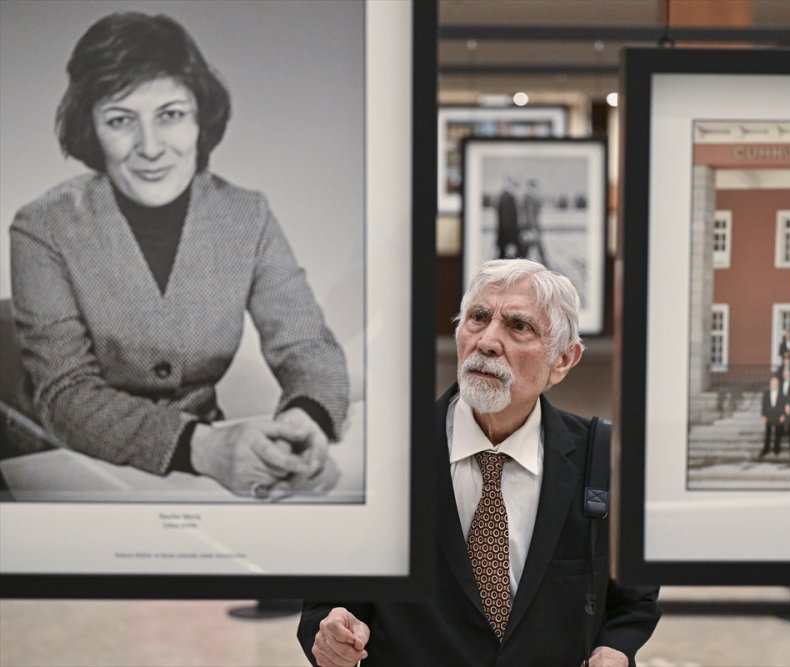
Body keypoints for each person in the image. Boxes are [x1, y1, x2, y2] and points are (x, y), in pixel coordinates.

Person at [8, 12, 349, 496]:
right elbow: (65, 394)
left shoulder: (247, 215)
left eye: (170, 114)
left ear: (199, 119)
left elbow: (307, 345)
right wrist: (205, 448)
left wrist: (306, 418)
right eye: (121, 120)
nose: (150, 147)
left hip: (211, 468)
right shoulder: (41, 227)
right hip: (70, 466)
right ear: (91, 128)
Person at [298, 259, 660, 667]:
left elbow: (635, 600)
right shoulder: (384, 455)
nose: (487, 341)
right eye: (478, 318)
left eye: (518, 326)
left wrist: (615, 649)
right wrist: (331, 632)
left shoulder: (601, 459)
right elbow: (326, 600)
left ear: (563, 360)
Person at [520, 178, 547, 265]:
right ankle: (545, 265)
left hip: (531, 226)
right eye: (535, 187)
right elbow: (530, 214)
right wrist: (533, 228)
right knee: (537, 247)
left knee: (528, 248)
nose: (537, 189)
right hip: (532, 227)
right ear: (531, 187)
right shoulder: (530, 198)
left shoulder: (527, 197)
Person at [495, 176, 524, 259]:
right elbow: (507, 219)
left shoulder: (504, 197)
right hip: (508, 232)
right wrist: (510, 236)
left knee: (502, 254)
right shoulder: (507, 198)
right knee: (515, 253)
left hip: (505, 232)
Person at [759, 375, 785, 457]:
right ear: (770, 384)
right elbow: (764, 405)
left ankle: (776, 449)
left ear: (778, 384)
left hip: (778, 415)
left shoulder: (781, 394)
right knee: (768, 433)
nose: (774, 384)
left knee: (778, 433)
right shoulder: (766, 393)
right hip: (769, 415)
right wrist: (763, 416)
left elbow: (783, 405)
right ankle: (766, 449)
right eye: (772, 383)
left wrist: (782, 415)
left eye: (775, 383)